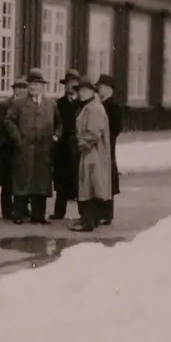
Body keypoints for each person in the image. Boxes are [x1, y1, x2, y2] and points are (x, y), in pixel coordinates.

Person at [5, 68, 61, 225]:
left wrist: (56, 137)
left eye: (37, 84)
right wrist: (18, 139)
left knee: (41, 181)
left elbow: (59, 124)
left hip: (44, 149)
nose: (34, 87)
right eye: (32, 84)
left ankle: (39, 215)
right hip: (25, 148)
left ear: (43, 86)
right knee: (22, 180)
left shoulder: (51, 104)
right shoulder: (19, 103)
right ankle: (19, 214)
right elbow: (8, 121)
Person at [69, 77, 112, 233]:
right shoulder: (90, 106)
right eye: (80, 90)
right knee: (89, 186)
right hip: (91, 153)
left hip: (93, 154)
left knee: (90, 187)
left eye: (85, 90)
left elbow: (93, 133)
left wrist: (81, 144)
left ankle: (88, 222)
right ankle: (89, 220)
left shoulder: (94, 108)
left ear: (92, 91)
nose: (81, 93)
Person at [0, 76, 28, 220]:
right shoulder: (4, 105)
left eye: (23, 87)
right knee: (7, 180)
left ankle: (23, 209)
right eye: (18, 87)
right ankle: (7, 210)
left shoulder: (28, 105)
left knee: (22, 179)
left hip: (23, 147)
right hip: (7, 147)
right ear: (13, 89)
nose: (20, 90)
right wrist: (1, 145)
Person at [51, 68, 82, 220]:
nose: (71, 87)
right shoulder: (59, 104)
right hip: (62, 148)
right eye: (69, 84)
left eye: (75, 85)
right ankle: (59, 212)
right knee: (61, 180)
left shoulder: (82, 104)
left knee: (79, 180)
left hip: (77, 147)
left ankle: (83, 214)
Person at [95, 74, 123, 225]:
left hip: (108, 144)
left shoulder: (113, 107)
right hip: (100, 144)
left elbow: (116, 128)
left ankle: (107, 213)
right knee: (100, 177)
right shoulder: (100, 104)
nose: (100, 90)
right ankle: (101, 211)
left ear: (109, 89)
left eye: (102, 87)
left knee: (108, 176)